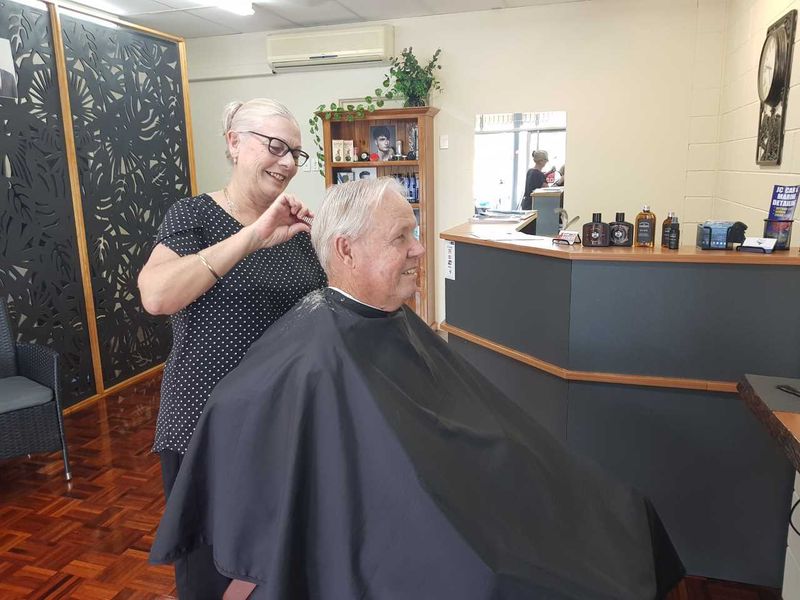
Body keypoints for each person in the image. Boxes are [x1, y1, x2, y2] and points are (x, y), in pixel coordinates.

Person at [150, 178, 684, 600]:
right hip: (434, 542)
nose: (420, 249)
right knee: (511, 574)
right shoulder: (314, 357)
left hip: (484, 498)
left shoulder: (385, 323)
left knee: (617, 513)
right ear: (347, 250)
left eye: (414, 232)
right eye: (400, 237)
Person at [137, 98, 327, 599]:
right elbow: (156, 295)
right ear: (233, 142)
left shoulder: (295, 230)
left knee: (274, 564)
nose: (287, 162)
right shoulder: (193, 216)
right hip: (207, 428)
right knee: (213, 570)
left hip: (281, 423)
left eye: (295, 153)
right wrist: (252, 236)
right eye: (275, 146)